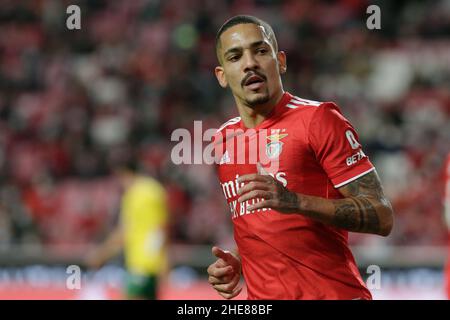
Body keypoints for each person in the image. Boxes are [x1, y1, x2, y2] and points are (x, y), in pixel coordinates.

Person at [207, 15, 394, 300]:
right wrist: (239, 261)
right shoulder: (223, 140)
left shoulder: (318, 119)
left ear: (280, 61)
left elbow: (381, 216)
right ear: (222, 75)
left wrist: (295, 201)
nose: (250, 64)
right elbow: (266, 228)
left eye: (260, 50)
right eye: (235, 56)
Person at [85, 162, 169, 299]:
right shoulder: (155, 190)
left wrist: (101, 254)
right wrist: (164, 261)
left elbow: (124, 232)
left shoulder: (133, 194)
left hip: (139, 264)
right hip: (154, 264)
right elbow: (162, 229)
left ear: (123, 174)